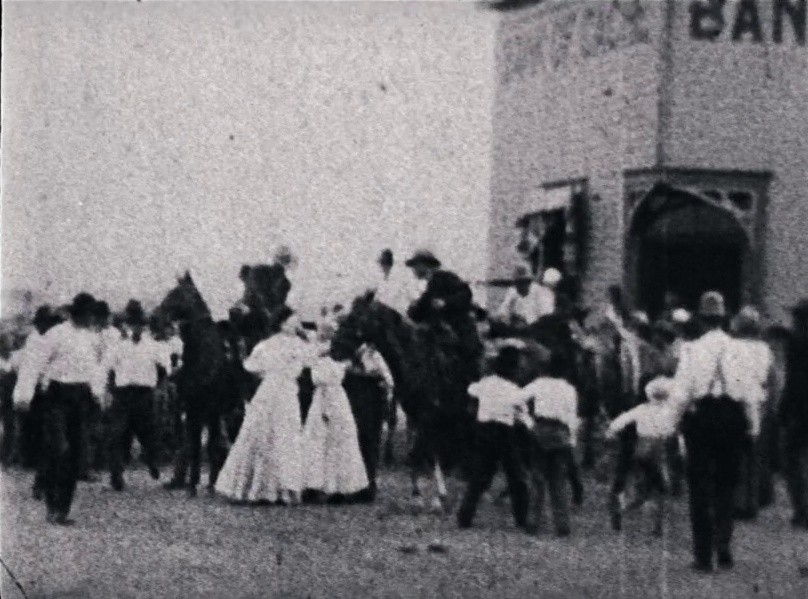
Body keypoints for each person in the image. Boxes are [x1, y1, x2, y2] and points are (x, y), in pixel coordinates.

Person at [672, 291, 751, 571]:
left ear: (702, 320)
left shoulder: (692, 350)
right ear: (724, 318)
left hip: (702, 416)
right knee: (727, 485)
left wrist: (671, 423)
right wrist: (752, 426)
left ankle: (703, 555)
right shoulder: (740, 349)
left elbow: (681, 392)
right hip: (731, 416)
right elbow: (749, 393)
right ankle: (723, 546)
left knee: (699, 486)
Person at [13, 293, 103, 525]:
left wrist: (99, 394)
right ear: (78, 314)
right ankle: (52, 505)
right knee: (58, 449)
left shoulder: (90, 338)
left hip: (80, 397)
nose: (91, 320)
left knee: (75, 454)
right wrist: (24, 395)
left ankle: (62, 509)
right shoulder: (56, 335)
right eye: (88, 315)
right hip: (57, 397)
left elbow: (94, 369)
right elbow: (34, 364)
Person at [215, 312, 312, 505]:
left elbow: (252, 366)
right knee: (266, 432)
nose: (296, 325)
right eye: (292, 321)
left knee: (283, 434)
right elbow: (252, 366)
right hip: (274, 390)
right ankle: (261, 487)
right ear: (282, 324)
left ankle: (281, 488)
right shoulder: (275, 344)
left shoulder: (289, 344)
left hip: (281, 390)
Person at [457, 345, 530, 530]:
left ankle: (464, 516)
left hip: (483, 430)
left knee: (480, 476)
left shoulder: (485, 383)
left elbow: (471, 390)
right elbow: (522, 413)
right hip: (504, 433)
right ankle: (521, 518)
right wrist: (531, 426)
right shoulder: (514, 389)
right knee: (517, 477)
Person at [103, 300, 168, 491]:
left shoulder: (155, 346)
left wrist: (158, 389)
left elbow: (164, 369)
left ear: (144, 326)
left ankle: (152, 461)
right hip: (123, 394)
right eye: (131, 324)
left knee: (148, 433)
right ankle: (117, 474)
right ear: (127, 325)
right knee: (118, 434)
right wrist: (110, 390)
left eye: (139, 324)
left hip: (144, 394)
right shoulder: (118, 346)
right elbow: (107, 369)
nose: (135, 328)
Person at [518, 349, 580, 537]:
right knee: (558, 480)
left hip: (540, 428)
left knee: (537, 477)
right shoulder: (570, 389)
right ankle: (562, 524)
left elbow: (517, 399)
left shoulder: (539, 384)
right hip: (560, 431)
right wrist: (572, 439)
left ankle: (532, 522)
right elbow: (572, 416)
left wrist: (527, 420)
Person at [300, 336, 369, 502]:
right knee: (318, 441)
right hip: (324, 399)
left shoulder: (340, 364)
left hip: (336, 400)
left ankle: (339, 487)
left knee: (339, 441)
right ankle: (314, 486)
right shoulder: (321, 363)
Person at [606, 377, 678, 537]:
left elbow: (620, 421)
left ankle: (622, 510)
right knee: (659, 490)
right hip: (658, 451)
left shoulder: (642, 409)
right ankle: (656, 526)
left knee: (644, 490)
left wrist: (611, 431)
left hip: (640, 451)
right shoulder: (669, 411)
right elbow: (673, 431)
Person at [406, 250, 483, 385]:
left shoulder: (446, 277)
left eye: (416, 265)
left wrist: (445, 302)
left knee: (467, 353)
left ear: (425, 265)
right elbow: (419, 312)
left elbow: (466, 294)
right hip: (437, 331)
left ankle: (471, 383)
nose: (414, 269)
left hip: (458, 327)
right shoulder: (428, 288)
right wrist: (412, 309)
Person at [728, 306, 776, 520]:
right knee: (756, 455)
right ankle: (754, 501)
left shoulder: (732, 347)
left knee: (737, 455)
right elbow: (772, 379)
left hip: (737, 402)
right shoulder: (765, 349)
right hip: (760, 402)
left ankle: (740, 502)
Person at [14, 306, 59, 496]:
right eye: (43, 323)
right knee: (42, 439)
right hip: (37, 396)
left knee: (52, 439)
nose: (45, 326)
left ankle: (44, 480)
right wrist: (23, 397)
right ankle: (41, 481)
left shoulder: (54, 340)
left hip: (54, 393)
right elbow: (25, 371)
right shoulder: (33, 342)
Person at [781, 299, 808, 529]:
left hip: (800, 410)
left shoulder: (796, 341)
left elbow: (793, 379)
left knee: (792, 460)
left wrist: (783, 410)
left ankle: (801, 510)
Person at [494, 265, 555, 329]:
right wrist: (506, 320)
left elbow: (546, 317)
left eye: (525, 282)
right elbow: (503, 311)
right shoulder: (512, 291)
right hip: (517, 326)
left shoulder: (541, 292)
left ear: (530, 282)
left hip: (537, 327)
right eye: (518, 282)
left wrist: (527, 322)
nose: (522, 286)